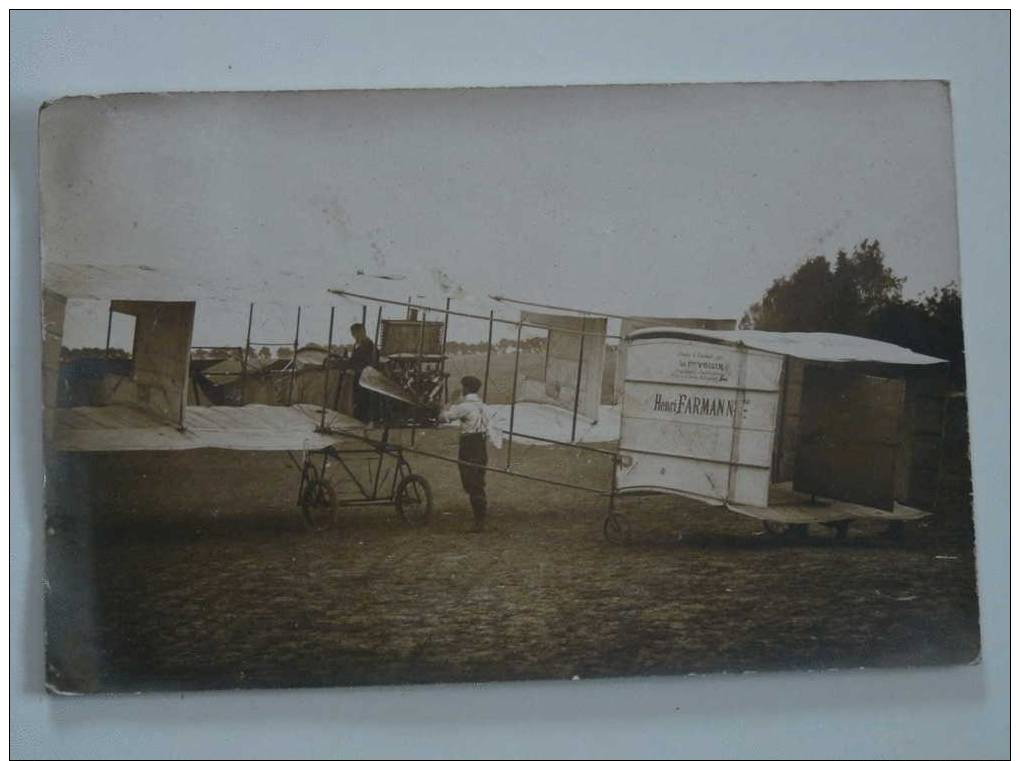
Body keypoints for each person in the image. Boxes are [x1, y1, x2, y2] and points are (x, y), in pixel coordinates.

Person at [440, 375, 493, 532]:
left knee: (471, 481)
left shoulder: (465, 406)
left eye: (463, 387)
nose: (462, 389)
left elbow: (443, 418)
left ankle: (479, 522)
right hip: (481, 445)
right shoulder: (483, 405)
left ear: (467, 388)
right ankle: (480, 518)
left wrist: (448, 402)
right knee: (478, 480)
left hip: (469, 445)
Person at [348, 323, 377, 423]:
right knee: (357, 400)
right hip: (357, 376)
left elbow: (368, 362)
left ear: (361, 332)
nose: (354, 336)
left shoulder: (368, 345)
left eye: (355, 333)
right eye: (352, 334)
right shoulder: (357, 344)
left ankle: (363, 421)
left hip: (365, 377)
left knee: (364, 400)